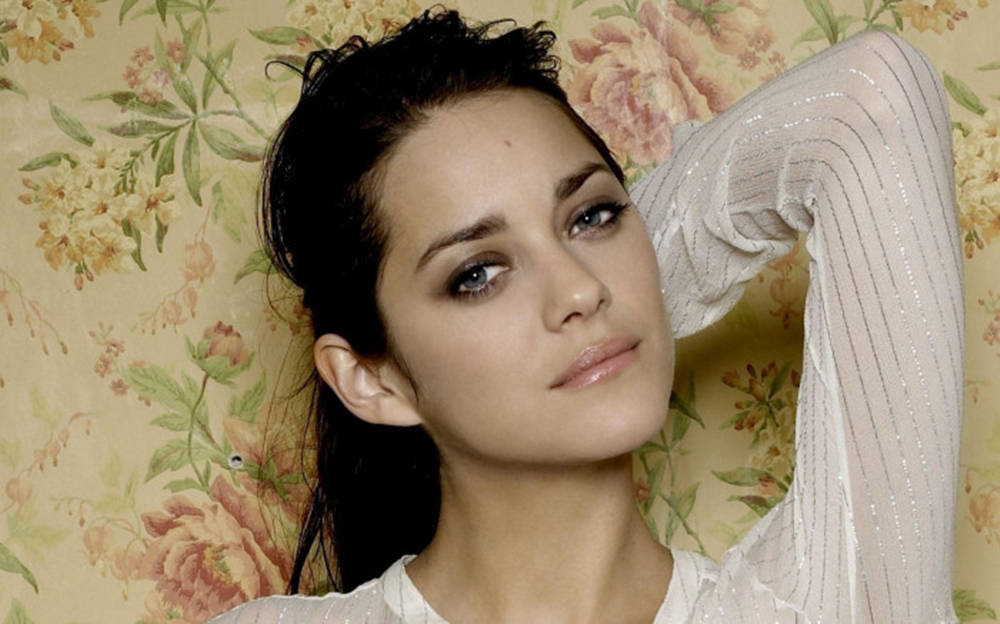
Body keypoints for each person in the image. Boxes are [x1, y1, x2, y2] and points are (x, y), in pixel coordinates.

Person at [210, 7, 962, 623]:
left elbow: (870, 99)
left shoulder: (828, 607)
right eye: (476, 275)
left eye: (594, 215)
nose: (580, 290)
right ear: (370, 380)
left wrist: (634, 290)